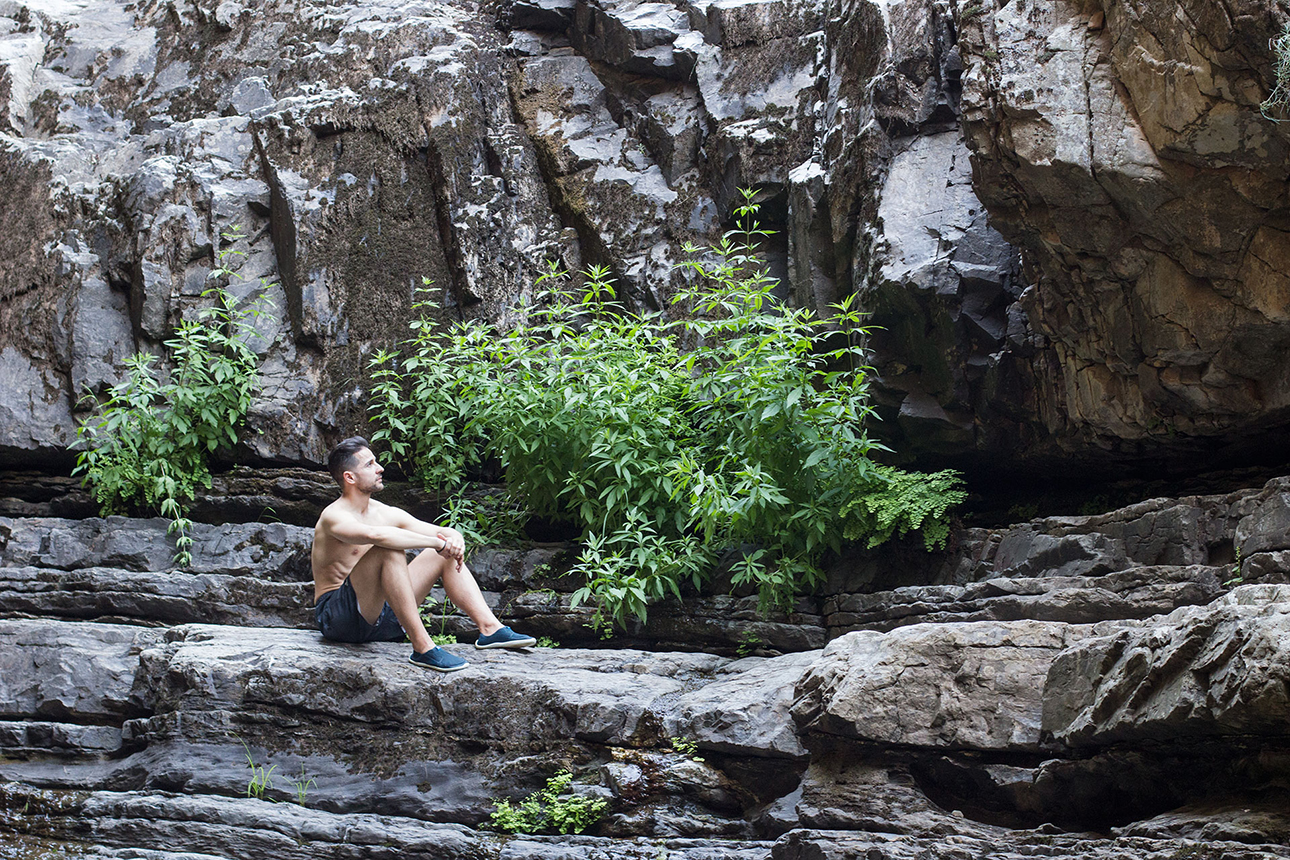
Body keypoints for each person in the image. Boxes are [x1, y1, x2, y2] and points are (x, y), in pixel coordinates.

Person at [311, 436, 535, 672]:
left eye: (376, 462)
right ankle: (422, 648)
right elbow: (376, 536)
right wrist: (436, 543)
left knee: (439, 554)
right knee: (388, 549)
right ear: (350, 477)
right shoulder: (334, 516)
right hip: (339, 619)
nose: (380, 468)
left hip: (385, 617)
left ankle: (490, 629)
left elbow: (441, 531)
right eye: (369, 465)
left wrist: (452, 538)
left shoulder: (385, 512)